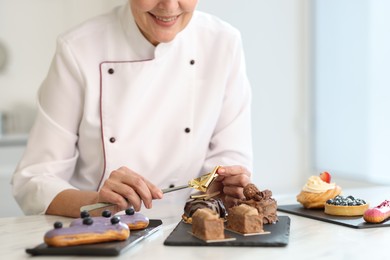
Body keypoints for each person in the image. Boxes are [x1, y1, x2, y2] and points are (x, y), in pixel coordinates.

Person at [11, 0, 253, 218]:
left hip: (190, 229)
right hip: (100, 231)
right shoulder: (79, 48)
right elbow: (34, 180)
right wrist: (98, 203)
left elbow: (230, 160)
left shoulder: (223, 43)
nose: (169, 6)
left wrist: (226, 184)